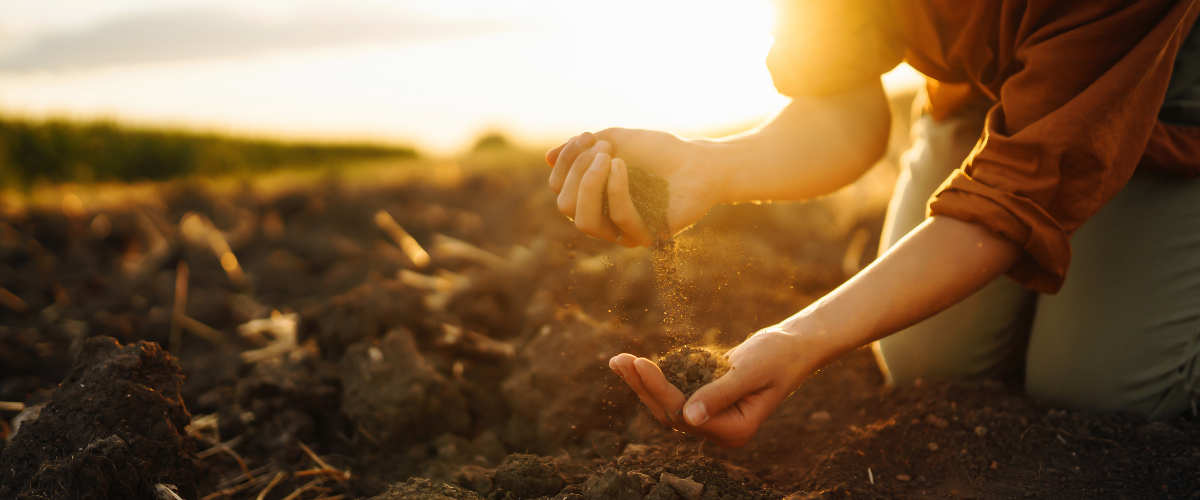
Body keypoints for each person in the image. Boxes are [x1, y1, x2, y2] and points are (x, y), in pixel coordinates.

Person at [545, 0, 1200, 448]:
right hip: (993, 89)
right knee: (930, 361)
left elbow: (1005, 203)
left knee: (1100, 389)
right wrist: (713, 166)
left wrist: (800, 338)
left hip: (1167, 86)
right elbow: (839, 107)